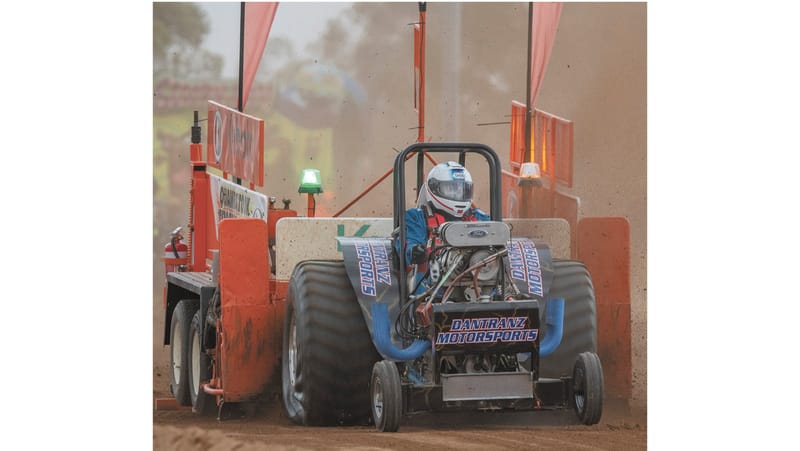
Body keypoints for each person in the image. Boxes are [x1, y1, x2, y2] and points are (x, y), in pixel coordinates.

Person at [399, 161, 489, 274]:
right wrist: (414, 251)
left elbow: (497, 245)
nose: (458, 194)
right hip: (431, 282)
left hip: (476, 280)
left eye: (462, 190)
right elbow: (408, 243)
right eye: (451, 189)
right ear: (434, 188)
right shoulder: (417, 218)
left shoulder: (479, 218)